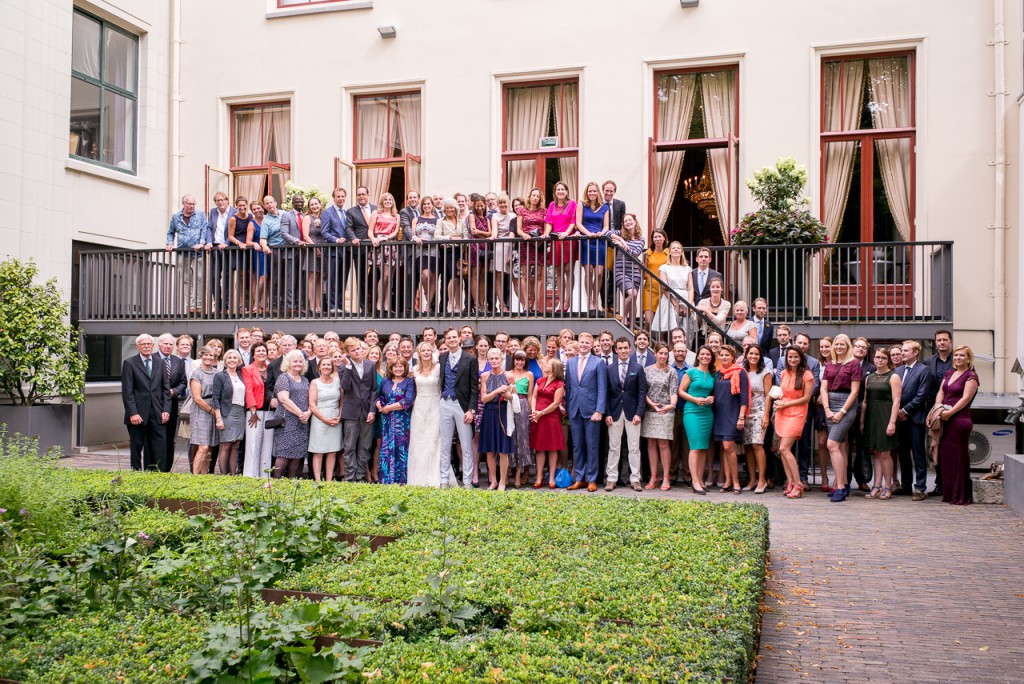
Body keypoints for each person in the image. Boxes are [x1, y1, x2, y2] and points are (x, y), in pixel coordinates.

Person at [933, 345, 979, 506]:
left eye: (962, 355)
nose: (958, 358)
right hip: (945, 417)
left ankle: (959, 495)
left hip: (959, 420)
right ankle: (949, 493)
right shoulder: (949, 373)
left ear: (968, 358)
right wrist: (938, 407)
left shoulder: (971, 376)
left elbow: (965, 399)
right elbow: (941, 392)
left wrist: (949, 413)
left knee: (958, 457)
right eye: (956, 355)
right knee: (946, 456)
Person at [121, 334, 170, 471]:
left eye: (149, 344)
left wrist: (166, 409)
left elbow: (165, 389)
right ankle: (136, 473)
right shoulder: (130, 363)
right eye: (144, 344)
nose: (147, 346)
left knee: (158, 446)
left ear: (153, 346)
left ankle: (157, 473)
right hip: (138, 414)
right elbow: (127, 391)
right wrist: (133, 413)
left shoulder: (160, 362)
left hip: (157, 412)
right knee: (136, 446)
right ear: (138, 347)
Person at [565, 333, 607, 491]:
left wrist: (599, 410)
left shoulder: (598, 362)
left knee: (592, 445)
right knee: (577, 446)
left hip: (592, 411)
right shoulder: (570, 362)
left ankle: (592, 479)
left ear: (591, 345)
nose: (583, 345)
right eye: (581, 342)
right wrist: (569, 407)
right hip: (575, 409)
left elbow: (602, 388)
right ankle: (579, 478)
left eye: (586, 343)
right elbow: (568, 387)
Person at [438, 328, 479, 489]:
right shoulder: (441, 358)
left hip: (462, 405)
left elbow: (474, 388)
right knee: (445, 444)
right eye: (449, 338)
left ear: (459, 339)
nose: (452, 340)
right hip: (445, 403)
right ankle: (444, 480)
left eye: (454, 337)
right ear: (445, 340)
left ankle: (467, 481)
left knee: (466, 445)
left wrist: (471, 410)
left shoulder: (470, 359)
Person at [605, 337, 646, 491]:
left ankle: (635, 479)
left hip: (632, 413)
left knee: (634, 447)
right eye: (620, 348)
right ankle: (611, 478)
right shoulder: (609, 368)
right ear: (616, 350)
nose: (622, 351)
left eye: (625, 348)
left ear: (630, 349)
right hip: (614, 413)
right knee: (614, 447)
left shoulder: (638, 368)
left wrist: (639, 413)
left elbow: (642, 393)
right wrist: (607, 413)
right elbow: (607, 393)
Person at [774, 347, 816, 498]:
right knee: (782, 450)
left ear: (801, 358)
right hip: (781, 412)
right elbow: (782, 393)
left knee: (785, 448)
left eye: (795, 357)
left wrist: (786, 404)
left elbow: (806, 399)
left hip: (797, 413)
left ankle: (798, 484)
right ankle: (790, 482)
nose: (792, 359)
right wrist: (778, 402)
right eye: (790, 357)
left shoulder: (807, 375)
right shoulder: (784, 373)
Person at [861, 347, 902, 500]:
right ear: (873, 358)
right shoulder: (869, 377)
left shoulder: (893, 377)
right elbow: (865, 401)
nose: (880, 360)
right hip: (872, 417)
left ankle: (888, 485)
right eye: (877, 357)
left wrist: (892, 422)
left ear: (888, 360)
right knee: (876, 453)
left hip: (886, 415)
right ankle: (876, 485)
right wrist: (862, 421)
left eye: (883, 358)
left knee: (885, 453)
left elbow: (897, 401)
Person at [896, 340, 932, 499]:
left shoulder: (924, 370)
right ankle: (905, 485)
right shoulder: (898, 370)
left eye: (906, 351)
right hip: (899, 419)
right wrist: (897, 411)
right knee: (903, 454)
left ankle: (920, 487)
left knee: (918, 454)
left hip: (915, 418)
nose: (902, 353)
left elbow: (921, 395)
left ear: (916, 352)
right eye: (902, 350)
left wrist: (905, 410)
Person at [339, 337, 378, 482]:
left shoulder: (370, 365)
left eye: (359, 348)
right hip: (351, 412)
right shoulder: (343, 367)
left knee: (365, 447)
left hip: (367, 411)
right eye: (353, 350)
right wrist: (348, 366)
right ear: (348, 353)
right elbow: (345, 387)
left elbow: (374, 389)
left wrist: (372, 410)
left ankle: (361, 477)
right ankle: (350, 479)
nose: (357, 351)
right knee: (349, 447)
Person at [678, 346, 716, 495]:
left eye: (708, 354)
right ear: (698, 356)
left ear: (711, 357)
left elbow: (714, 393)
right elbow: (680, 391)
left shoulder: (713, 374)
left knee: (703, 447)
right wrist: (694, 399)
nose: (705, 356)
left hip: (707, 413)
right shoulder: (691, 372)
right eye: (703, 354)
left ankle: (700, 479)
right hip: (692, 412)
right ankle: (694, 481)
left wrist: (712, 397)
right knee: (695, 447)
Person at [712, 346, 748, 494]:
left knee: (729, 447)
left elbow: (744, 397)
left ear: (733, 356)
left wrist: (741, 417)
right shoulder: (718, 374)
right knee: (724, 449)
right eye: (722, 355)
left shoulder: (740, 372)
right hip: (720, 414)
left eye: (727, 355)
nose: (725, 357)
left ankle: (736, 481)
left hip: (733, 414)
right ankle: (727, 481)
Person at [642, 343, 678, 491]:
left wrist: (672, 404)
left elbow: (673, 391)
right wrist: (651, 404)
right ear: (655, 353)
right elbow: (642, 391)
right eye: (661, 353)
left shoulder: (672, 372)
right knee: (651, 443)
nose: (663, 356)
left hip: (665, 410)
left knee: (663, 444)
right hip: (650, 410)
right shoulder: (647, 371)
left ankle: (666, 477)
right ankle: (653, 476)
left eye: (665, 354)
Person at [165, 195, 208, 314]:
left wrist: (201, 243)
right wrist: (169, 244)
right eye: (189, 204)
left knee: (198, 277)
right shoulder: (176, 217)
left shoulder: (200, 215)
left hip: (197, 252)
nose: (192, 206)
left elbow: (204, 230)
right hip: (182, 252)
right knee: (186, 279)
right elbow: (170, 232)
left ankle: (197, 304)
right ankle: (190, 305)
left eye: (194, 204)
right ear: (183, 203)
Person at [924, 330, 954, 496]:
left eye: (945, 340)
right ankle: (939, 484)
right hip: (934, 410)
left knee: (951, 448)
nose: (941, 343)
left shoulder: (958, 359)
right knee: (936, 447)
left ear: (950, 341)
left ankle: (952, 484)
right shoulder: (929, 361)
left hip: (954, 411)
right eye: (939, 340)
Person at [376, 357, 416, 485]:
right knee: (386, 448)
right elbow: (381, 395)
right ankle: (387, 479)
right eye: (395, 366)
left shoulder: (409, 382)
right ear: (391, 368)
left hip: (402, 422)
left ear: (405, 368)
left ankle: (401, 480)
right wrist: (379, 404)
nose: (398, 369)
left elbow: (408, 400)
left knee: (401, 449)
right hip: (387, 421)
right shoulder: (386, 381)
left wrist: (389, 407)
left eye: (401, 366)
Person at [478, 349, 514, 490]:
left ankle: (503, 481)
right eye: (491, 359)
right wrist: (497, 391)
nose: (494, 361)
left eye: (496, 359)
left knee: (503, 449)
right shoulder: (485, 376)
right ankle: (493, 480)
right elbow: (484, 399)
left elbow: (514, 398)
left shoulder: (509, 376)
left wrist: (507, 395)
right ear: (488, 360)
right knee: (490, 449)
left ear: (501, 359)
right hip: (489, 412)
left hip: (504, 412)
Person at [272, 350, 310, 479]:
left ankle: (291, 484)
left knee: (296, 455)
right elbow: (283, 399)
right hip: (287, 421)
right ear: (288, 363)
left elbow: (311, 399)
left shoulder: (305, 380)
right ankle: (276, 483)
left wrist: (308, 413)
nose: (298, 364)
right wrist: (300, 413)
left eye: (300, 361)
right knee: (283, 454)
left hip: (302, 422)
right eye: (295, 361)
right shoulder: (283, 378)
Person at [408, 342, 442, 487]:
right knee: (419, 442)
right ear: (419, 353)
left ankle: (434, 477)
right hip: (419, 407)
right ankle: (418, 478)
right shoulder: (414, 370)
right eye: (423, 350)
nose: (426, 352)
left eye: (429, 350)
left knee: (434, 441)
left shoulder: (438, 368)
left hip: (435, 406)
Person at [575, 181, 610, 315]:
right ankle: (589, 300)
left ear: (598, 192)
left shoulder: (604, 207)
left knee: (599, 273)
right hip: (586, 240)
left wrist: (603, 232)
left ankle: (596, 299)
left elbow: (606, 226)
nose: (592, 193)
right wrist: (587, 233)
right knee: (589, 271)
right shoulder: (582, 204)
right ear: (586, 192)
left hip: (599, 241)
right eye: (590, 191)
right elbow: (578, 223)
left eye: (594, 191)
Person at [530, 359, 566, 488]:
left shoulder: (559, 384)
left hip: (550, 418)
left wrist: (542, 413)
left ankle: (551, 477)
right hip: (537, 417)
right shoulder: (540, 381)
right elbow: (534, 396)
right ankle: (539, 476)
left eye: (547, 364)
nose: (544, 365)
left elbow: (556, 403)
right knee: (539, 448)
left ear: (553, 368)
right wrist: (534, 411)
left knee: (552, 448)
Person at [742, 345, 772, 493]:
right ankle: (752, 479)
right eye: (751, 353)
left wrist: (766, 415)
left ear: (760, 356)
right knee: (747, 446)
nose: (753, 356)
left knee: (757, 445)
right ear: (746, 355)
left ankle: (762, 480)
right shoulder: (743, 371)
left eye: (756, 354)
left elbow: (768, 395)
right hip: (746, 411)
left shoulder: (765, 373)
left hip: (759, 411)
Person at [608, 213, 645, 331]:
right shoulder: (621, 234)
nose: (628, 222)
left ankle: (632, 326)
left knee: (633, 298)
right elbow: (607, 233)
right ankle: (624, 318)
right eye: (625, 221)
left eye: (630, 220)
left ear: (635, 221)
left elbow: (635, 253)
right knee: (632, 294)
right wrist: (620, 239)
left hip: (634, 271)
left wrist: (623, 245)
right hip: (620, 269)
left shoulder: (641, 239)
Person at [155, 333, 187, 472]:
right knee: (156, 437)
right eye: (165, 344)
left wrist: (174, 391)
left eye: (170, 344)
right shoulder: (152, 358)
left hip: (172, 404)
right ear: (159, 344)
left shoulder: (178, 361)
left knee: (170, 438)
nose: (168, 347)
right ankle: (155, 466)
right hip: (155, 404)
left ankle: (167, 468)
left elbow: (183, 382)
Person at [242, 342, 274, 478]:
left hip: (270, 411)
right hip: (255, 412)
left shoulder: (270, 368)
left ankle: (265, 476)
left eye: (263, 351)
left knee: (267, 446)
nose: (262, 353)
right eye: (258, 351)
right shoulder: (248, 369)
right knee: (253, 445)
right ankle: (251, 476)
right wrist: (253, 411)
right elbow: (248, 391)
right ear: (253, 354)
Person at [211, 349, 246, 475]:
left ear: (239, 361)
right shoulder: (220, 376)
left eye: (234, 358)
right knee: (226, 445)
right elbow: (215, 398)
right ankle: (224, 475)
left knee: (236, 445)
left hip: (240, 413)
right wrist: (219, 418)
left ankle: (233, 474)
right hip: (227, 413)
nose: (232, 360)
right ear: (225, 361)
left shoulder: (241, 376)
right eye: (229, 358)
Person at [308, 356, 342, 482]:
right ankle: (317, 480)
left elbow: (342, 400)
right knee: (318, 451)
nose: (326, 367)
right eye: (324, 365)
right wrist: (324, 419)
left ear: (332, 367)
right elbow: (312, 404)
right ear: (319, 367)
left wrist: (340, 415)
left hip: (335, 417)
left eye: (329, 365)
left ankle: (328, 480)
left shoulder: (338, 381)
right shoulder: (315, 382)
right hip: (319, 418)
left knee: (332, 451)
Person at [545, 181, 577, 313]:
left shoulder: (572, 203)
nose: (560, 192)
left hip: (568, 239)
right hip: (556, 241)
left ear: (567, 191)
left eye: (563, 189)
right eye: (558, 190)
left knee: (569, 271)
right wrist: (547, 233)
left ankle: (567, 301)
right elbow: (548, 221)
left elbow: (573, 221)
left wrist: (566, 233)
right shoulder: (552, 205)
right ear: (555, 192)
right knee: (558, 272)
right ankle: (560, 301)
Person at [345, 186, 377, 314]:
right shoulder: (351, 211)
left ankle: (377, 306)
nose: (361, 196)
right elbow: (349, 228)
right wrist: (353, 238)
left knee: (377, 277)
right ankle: (364, 307)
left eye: (364, 194)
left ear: (368, 195)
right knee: (362, 278)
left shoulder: (376, 209)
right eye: (359, 194)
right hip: (360, 249)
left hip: (376, 248)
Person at [651, 241, 694, 338]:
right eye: (673, 248)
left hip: (685, 300)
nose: (676, 250)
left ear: (682, 252)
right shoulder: (664, 268)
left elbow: (690, 288)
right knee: (672, 332)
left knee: (685, 331)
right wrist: (676, 304)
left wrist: (689, 304)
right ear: (669, 252)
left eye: (678, 248)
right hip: (670, 301)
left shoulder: (687, 268)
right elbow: (664, 288)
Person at [515, 188, 548, 314]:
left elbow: (545, 229)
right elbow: (518, 229)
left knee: (539, 275)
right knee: (525, 274)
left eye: (538, 196)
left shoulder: (544, 211)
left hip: (538, 244)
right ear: (530, 196)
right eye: (533, 195)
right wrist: (524, 235)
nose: (535, 198)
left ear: (540, 199)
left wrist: (543, 236)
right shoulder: (521, 210)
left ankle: (535, 303)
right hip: (526, 243)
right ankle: (526, 303)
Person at [188, 345, 219, 475]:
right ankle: (195, 476)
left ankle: (204, 475)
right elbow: (197, 398)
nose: (208, 357)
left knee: (210, 447)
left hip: (214, 408)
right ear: (201, 356)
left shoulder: (217, 373)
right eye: (206, 355)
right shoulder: (197, 374)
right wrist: (212, 411)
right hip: (202, 411)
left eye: (211, 355)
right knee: (203, 446)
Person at [369, 192, 400, 316]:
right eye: (386, 199)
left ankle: (387, 304)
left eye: (390, 199)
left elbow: (396, 231)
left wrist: (386, 237)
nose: (388, 201)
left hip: (391, 245)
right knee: (385, 275)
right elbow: (370, 231)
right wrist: (374, 239)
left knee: (390, 276)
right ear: (382, 201)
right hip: (379, 246)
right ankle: (379, 304)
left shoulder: (396, 215)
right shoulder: (376, 213)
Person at [319, 187, 350, 315]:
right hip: (333, 251)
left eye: (343, 196)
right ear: (334, 198)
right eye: (338, 196)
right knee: (332, 279)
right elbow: (324, 232)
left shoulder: (347, 213)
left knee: (343, 280)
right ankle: (332, 305)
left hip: (346, 251)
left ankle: (341, 305)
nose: (341, 199)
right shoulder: (327, 212)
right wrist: (336, 240)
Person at [507, 351, 535, 488]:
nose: (519, 363)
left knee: (522, 439)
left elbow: (530, 396)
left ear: (525, 361)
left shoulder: (529, 374)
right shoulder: (507, 374)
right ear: (513, 360)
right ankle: (506, 472)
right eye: (517, 360)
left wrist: (531, 411)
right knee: (509, 437)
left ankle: (519, 473)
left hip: (523, 406)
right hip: (509, 405)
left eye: (522, 360)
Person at [601, 180, 627, 316]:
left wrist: (613, 235)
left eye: (611, 191)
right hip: (601, 243)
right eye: (606, 190)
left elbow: (622, 226)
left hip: (614, 243)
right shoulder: (599, 204)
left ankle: (610, 304)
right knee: (602, 274)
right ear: (603, 190)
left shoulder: (620, 204)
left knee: (612, 274)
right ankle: (604, 304)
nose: (608, 193)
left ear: (614, 192)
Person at [436, 198, 466, 315]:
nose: (449, 210)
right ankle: (450, 303)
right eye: (447, 208)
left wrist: (463, 241)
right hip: (448, 251)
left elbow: (466, 235)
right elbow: (437, 236)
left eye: (451, 207)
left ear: (455, 209)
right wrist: (450, 238)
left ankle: (458, 305)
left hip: (461, 250)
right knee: (453, 277)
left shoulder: (461, 221)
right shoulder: (441, 221)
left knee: (459, 278)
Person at [226, 197, 255, 314]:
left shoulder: (251, 217)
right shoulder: (233, 219)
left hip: (250, 247)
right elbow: (230, 236)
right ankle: (241, 305)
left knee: (253, 275)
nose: (242, 208)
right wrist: (239, 243)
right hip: (239, 249)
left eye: (244, 205)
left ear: (247, 205)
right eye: (240, 206)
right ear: (236, 206)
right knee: (241, 276)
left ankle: (255, 304)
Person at [412, 195, 440, 316]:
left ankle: (429, 304)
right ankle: (428, 296)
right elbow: (412, 235)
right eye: (425, 204)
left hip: (433, 251)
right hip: (420, 251)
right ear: (422, 206)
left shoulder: (437, 220)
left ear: (432, 206)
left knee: (433, 277)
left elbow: (439, 235)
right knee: (425, 275)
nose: (427, 206)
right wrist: (417, 238)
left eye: (429, 204)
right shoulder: (416, 219)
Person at [466, 194, 493, 314]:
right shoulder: (472, 216)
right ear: (474, 206)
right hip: (475, 247)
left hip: (485, 248)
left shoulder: (487, 219)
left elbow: (491, 233)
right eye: (478, 206)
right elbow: (473, 231)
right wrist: (485, 233)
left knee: (483, 276)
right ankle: (476, 303)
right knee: (475, 275)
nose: (480, 208)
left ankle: (482, 304)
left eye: (482, 205)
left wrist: (482, 233)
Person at [491, 193, 517, 313]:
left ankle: (516, 303)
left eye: (504, 202)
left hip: (510, 246)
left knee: (513, 276)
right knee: (499, 276)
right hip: (499, 246)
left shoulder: (512, 216)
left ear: (508, 202)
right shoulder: (494, 216)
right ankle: (501, 304)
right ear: (497, 204)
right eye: (500, 202)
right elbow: (495, 231)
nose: (503, 205)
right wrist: (493, 236)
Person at [303, 196, 328, 314]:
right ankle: (312, 305)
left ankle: (319, 306)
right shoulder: (307, 218)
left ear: (320, 204)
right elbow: (305, 235)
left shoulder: (324, 217)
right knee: (312, 278)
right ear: (309, 207)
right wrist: (315, 247)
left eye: (316, 204)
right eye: (312, 204)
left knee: (320, 279)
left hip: (323, 249)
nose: (314, 206)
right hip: (312, 248)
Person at [398, 190, 421, 317]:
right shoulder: (404, 212)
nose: (412, 199)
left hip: (422, 252)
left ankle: (420, 306)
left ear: (418, 199)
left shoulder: (422, 211)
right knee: (409, 278)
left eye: (414, 197)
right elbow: (406, 227)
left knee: (421, 278)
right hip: (410, 251)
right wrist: (414, 238)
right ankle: (408, 308)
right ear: (407, 200)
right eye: (410, 197)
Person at [642, 229, 669, 331]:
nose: (657, 239)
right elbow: (644, 273)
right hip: (649, 289)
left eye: (660, 237)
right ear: (652, 240)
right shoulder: (648, 253)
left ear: (664, 238)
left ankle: (658, 345)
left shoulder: (668, 253)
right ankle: (645, 338)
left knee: (661, 322)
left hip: (663, 291)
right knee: (649, 320)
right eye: (655, 237)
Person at [695, 277, 731, 343]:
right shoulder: (703, 302)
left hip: (719, 338)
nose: (715, 289)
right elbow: (697, 321)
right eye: (713, 287)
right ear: (710, 289)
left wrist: (705, 310)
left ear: (722, 289)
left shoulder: (726, 304)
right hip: (704, 336)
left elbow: (718, 321)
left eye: (717, 287)